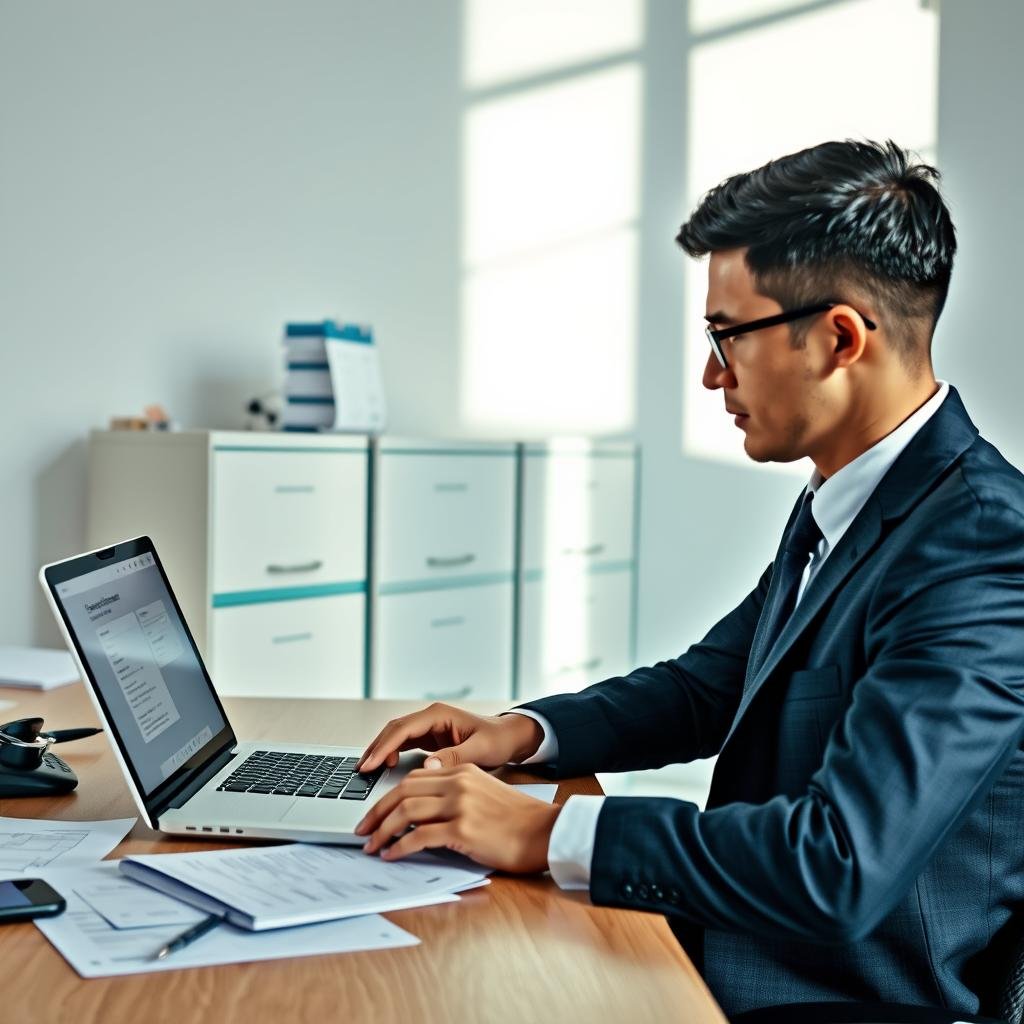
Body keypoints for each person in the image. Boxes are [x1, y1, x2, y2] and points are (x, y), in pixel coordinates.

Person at [354, 139, 1024, 1019]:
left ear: (839, 338)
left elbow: (841, 864)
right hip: (741, 946)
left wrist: (544, 829)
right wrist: (522, 733)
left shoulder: (981, 546)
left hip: (833, 997)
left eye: (727, 337)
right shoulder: (852, 490)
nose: (712, 375)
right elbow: (709, 686)